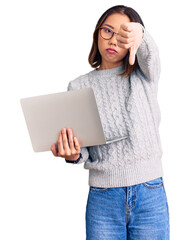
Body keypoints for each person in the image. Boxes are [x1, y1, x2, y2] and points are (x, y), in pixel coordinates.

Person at [51, 4, 170, 240]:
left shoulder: (145, 75)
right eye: (108, 31)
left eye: (123, 34)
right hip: (103, 197)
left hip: (150, 192)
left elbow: (151, 55)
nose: (114, 40)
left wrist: (141, 35)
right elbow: (81, 150)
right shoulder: (78, 86)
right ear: (97, 34)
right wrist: (72, 154)